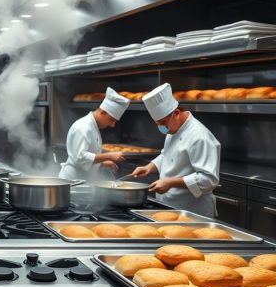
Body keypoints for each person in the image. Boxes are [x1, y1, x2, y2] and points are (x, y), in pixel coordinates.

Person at [131, 83, 220, 216]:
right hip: (169, 205)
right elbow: (166, 155)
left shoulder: (200, 136)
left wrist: (170, 183)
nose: (162, 128)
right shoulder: (174, 129)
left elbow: (209, 179)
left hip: (192, 211)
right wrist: (149, 167)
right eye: (158, 124)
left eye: (163, 123)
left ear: (176, 113)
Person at [59, 87, 130, 180]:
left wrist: (101, 163)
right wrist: (109, 156)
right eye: (112, 120)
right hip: (72, 181)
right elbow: (80, 158)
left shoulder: (93, 126)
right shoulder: (83, 126)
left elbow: (88, 157)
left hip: (82, 180)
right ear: (103, 112)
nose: (112, 125)